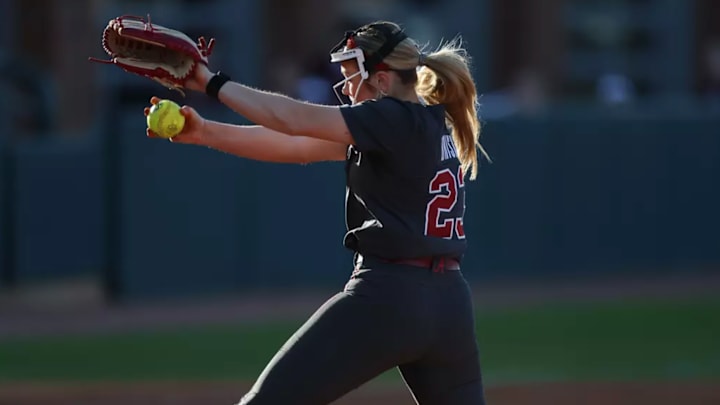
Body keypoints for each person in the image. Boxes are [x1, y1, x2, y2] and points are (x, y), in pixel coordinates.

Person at [144, 21, 488, 405]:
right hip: (450, 304)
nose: (344, 87)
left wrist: (210, 82)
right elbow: (297, 145)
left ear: (384, 80)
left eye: (351, 76)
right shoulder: (426, 122)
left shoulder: (389, 118)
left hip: (389, 297)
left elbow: (292, 119)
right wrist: (206, 131)